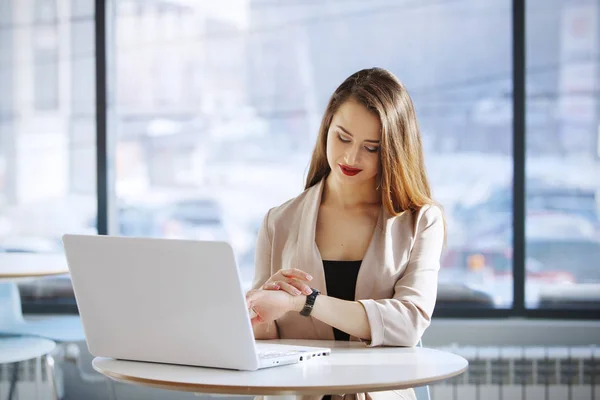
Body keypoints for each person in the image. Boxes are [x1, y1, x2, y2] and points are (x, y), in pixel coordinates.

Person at [246, 67, 445, 400]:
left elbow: (408, 323)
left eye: (372, 147)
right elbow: (266, 339)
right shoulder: (278, 222)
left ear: (393, 151)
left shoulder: (420, 222)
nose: (352, 157)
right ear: (326, 128)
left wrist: (305, 301)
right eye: (343, 137)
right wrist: (260, 313)